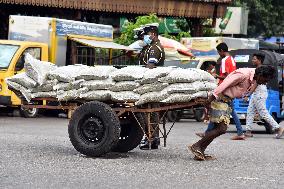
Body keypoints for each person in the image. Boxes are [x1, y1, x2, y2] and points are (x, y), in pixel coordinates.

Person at [189, 65, 278, 161]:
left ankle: (200, 150)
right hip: (220, 98)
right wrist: (210, 100)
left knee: (217, 128)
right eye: (266, 79)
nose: (265, 82)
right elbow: (224, 85)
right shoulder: (243, 74)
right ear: (261, 74)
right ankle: (196, 146)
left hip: (228, 101)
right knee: (221, 129)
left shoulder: (254, 78)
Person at [196, 43, 245, 140]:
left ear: (222, 51)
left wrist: (216, 76)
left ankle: (240, 132)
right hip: (231, 88)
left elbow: (227, 77)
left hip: (224, 88)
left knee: (217, 107)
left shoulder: (224, 60)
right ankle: (239, 132)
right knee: (228, 110)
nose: (219, 54)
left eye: (218, 52)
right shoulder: (232, 59)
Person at [138, 23, 165, 150]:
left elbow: (150, 66)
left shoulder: (155, 48)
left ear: (153, 34)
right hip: (151, 86)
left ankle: (151, 138)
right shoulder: (151, 47)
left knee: (150, 112)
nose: (145, 37)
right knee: (151, 111)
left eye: (147, 35)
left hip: (152, 85)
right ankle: (153, 139)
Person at [245, 53, 284, 138]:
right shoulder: (260, 68)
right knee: (250, 111)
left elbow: (256, 83)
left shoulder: (260, 69)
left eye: (254, 59)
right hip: (258, 91)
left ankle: (278, 128)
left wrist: (248, 94)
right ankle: (248, 130)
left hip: (259, 92)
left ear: (259, 60)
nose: (252, 60)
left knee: (263, 113)